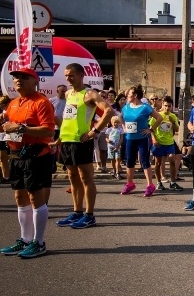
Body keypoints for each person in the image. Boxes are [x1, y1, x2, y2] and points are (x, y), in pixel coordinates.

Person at [0, 67, 56, 258]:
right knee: (19, 197)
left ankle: (39, 243)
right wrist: (5, 123)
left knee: (34, 197)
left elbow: (49, 131)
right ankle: (25, 239)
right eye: (16, 78)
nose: (18, 81)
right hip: (16, 155)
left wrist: (21, 128)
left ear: (35, 81)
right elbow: (10, 126)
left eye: (24, 78)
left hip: (36, 155)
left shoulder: (42, 102)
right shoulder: (13, 103)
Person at [55, 63, 115, 229]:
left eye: (71, 75)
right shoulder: (68, 94)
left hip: (82, 142)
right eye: (66, 75)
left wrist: (94, 131)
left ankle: (89, 215)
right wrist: (60, 136)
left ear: (81, 75)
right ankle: (77, 212)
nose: (68, 78)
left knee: (85, 178)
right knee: (73, 178)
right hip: (67, 140)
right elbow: (69, 118)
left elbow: (108, 111)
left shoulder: (90, 94)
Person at [120, 85, 163, 197]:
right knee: (129, 161)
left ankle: (150, 185)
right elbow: (120, 117)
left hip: (142, 138)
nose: (126, 96)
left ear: (135, 95)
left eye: (128, 95)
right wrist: (124, 127)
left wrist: (151, 129)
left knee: (144, 161)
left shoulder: (145, 107)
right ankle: (129, 184)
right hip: (130, 138)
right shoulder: (126, 107)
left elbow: (159, 118)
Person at [150, 96, 182, 191]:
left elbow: (177, 130)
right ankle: (159, 183)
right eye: (166, 106)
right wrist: (154, 140)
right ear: (163, 105)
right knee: (158, 163)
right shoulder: (157, 115)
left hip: (169, 142)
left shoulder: (173, 116)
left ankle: (173, 182)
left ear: (172, 106)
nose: (167, 108)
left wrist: (173, 123)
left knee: (172, 159)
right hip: (159, 142)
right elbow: (151, 129)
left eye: (169, 106)